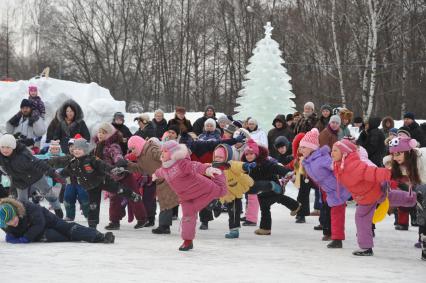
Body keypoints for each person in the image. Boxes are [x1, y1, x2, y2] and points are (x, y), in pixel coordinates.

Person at [332, 139, 417, 256]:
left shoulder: (353, 165)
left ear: (344, 152)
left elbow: (373, 172)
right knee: (390, 196)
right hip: (372, 192)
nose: (332, 153)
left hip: (368, 195)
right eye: (332, 150)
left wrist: (391, 174)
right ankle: (414, 199)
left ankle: (366, 248)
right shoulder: (340, 165)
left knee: (361, 218)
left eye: (335, 150)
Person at [51, 137, 143, 228]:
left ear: (85, 150)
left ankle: (132, 195)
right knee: (93, 206)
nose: (76, 151)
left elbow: (104, 166)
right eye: (75, 149)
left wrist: (113, 170)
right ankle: (92, 225)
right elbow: (65, 172)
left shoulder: (92, 159)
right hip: (91, 187)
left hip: (103, 181)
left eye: (79, 149)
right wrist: (56, 175)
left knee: (118, 189)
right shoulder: (73, 163)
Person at [153, 140, 227, 251]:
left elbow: (195, 166)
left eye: (165, 151)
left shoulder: (181, 164)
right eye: (162, 151)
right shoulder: (165, 168)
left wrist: (207, 169)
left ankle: (217, 175)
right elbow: (160, 172)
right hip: (185, 197)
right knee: (188, 217)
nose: (162, 153)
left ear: (173, 153)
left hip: (201, 189)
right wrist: (155, 175)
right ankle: (187, 241)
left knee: (220, 191)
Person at [300, 128, 351, 248]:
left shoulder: (322, 158)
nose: (301, 149)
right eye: (301, 147)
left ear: (312, 147)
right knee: (333, 213)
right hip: (329, 191)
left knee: (337, 214)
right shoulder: (308, 161)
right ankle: (335, 237)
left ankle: (337, 239)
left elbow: (336, 167)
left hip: (339, 189)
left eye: (303, 147)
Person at [93, 123, 147, 230]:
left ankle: (142, 219)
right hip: (111, 178)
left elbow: (117, 155)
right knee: (114, 199)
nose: (100, 134)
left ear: (109, 134)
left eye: (104, 133)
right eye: (99, 132)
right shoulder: (98, 146)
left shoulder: (113, 146)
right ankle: (114, 221)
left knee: (133, 195)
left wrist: (119, 162)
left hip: (124, 175)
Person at [122, 135, 179, 235]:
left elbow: (164, 155)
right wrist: (126, 164)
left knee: (166, 201)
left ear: (138, 145)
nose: (132, 151)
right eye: (130, 150)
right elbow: (140, 169)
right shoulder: (141, 156)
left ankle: (164, 226)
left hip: (168, 176)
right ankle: (164, 226)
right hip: (160, 179)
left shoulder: (151, 149)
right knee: (165, 201)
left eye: (133, 148)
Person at [242, 139, 300, 235]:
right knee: (267, 205)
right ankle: (265, 228)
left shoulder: (264, 163)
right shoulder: (247, 166)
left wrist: (288, 173)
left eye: (251, 154)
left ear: (256, 154)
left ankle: (293, 205)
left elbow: (276, 168)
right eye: (247, 154)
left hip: (273, 186)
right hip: (262, 190)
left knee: (270, 201)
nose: (249, 156)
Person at [0, 134, 63, 218]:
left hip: (35, 176)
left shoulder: (23, 155)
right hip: (19, 179)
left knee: (47, 193)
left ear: (13, 147)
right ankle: (24, 218)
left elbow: (38, 162)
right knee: (22, 201)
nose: (5, 150)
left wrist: (52, 172)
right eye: (2, 147)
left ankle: (57, 208)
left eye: (8, 147)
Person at [0, 198, 114, 244]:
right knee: (53, 236)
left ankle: (100, 236)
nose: (11, 223)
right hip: (40, 233)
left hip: (51, 221)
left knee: (70, 229)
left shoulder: (28, 207)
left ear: (15, 212)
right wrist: (10, 234)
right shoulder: (3, 221)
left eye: (12, 219)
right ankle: (80, 236)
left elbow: (39, 223)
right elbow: (12, 231)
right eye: (7, 223)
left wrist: (26, 238)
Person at [388, 136, 426, 247]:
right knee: (422, 209)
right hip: (422, 186)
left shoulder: (422, 159)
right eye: (393, 154)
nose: (395, 158)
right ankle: (423, 239)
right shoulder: (401, 163)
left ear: (408, 151)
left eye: (398, 154)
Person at [212, 144, 254, 239]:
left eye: (221, 157)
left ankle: (234, 230)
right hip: (222, 193)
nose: (218, 159)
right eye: (216, 157)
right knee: (213, 202)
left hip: (235, 194)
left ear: (226, 157)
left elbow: (239, 166)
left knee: (234, 212)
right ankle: (217, 207)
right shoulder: (213, 167)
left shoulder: (231, 165)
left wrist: (246, 166)